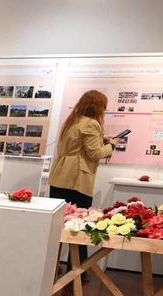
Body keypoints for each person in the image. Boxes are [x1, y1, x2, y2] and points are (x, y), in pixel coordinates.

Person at [50, 90, 116, 265]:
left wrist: (102, 139)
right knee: (81, 224)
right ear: (98, 107)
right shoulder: (92, 124)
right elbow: (94, 154)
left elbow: (78, 146)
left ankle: (53, 265)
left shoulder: (72, 121)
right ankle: (78, 268)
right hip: (77, 179)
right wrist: (112, 146)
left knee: (59, 224)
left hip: (60, 176)